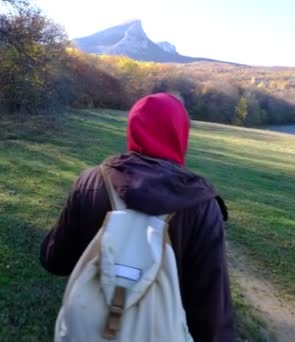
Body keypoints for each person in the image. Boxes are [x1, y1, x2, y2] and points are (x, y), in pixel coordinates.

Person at [40, 93, 235, 341]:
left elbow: (54, 260)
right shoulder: (202, 206)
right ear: (180, 134)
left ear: (132, 128)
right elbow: (211, 311)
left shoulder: (91, 181)